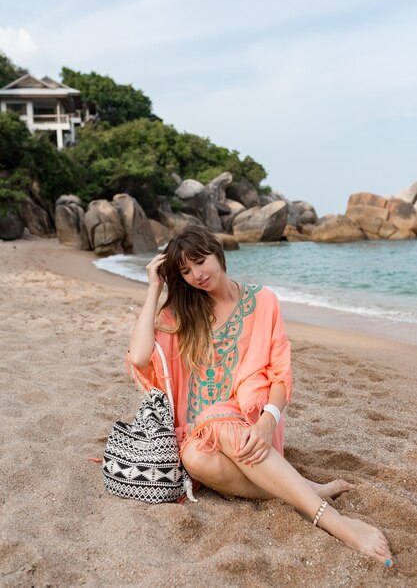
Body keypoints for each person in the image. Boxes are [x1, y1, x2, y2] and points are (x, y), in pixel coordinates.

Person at [128, 225, 393, 567]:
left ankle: (336, 523)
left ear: (217, 252)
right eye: (185, 271)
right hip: (202, 435)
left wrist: (269, 419)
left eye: (200, 261)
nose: (196, 275)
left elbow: (280, 374)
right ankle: (304, 487)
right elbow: (138, 357)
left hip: (252, 427)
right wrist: (153, 288)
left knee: (218, 421)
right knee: (193, 458)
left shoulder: (262, 301)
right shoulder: (185, 313)